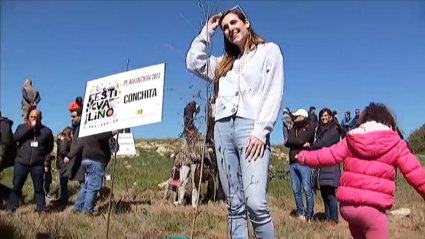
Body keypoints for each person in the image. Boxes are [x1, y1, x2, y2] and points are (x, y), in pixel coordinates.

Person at [186, 6, 284, 238]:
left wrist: (261, 131)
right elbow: (193, 63)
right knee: (235, 204)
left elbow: (273, 92)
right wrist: (207, 32)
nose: (230, 29)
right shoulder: (222, 64)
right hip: (222, 131)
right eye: (225, 28)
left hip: (251, 129)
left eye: (233, 23)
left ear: (246, 22)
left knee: (255, 203)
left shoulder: (269, 51)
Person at [295, 103, 425, 239]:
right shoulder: (396, 143)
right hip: (374, 210)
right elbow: (416, 174)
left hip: (348, 208)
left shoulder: (351, 139)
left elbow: (329, 155)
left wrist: (303, 156)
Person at [6, 109, 54, 214]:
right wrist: (30, 127)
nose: (33, 119)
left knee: (38, 187)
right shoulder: (22, 127)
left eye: (36, 117)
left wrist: (41, 155)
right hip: (21, 163)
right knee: (16, 186)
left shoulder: (46, 131)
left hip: (37, 164)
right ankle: (11, 207)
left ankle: (41, 208)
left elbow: (49, 147)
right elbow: (15, 138)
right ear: (28, 117)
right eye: (31, 117)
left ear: (40, 118)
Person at [65, 129, 118, 215]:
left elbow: (79, 144)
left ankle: (77, 208)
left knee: (86, 186)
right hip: (96, 161)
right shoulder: (97, 129)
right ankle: (87, 211)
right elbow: (102, 135)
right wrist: (113, 132)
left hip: (86, 160)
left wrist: (69, 156)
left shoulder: (87, 131)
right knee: (93, 187)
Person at [284, 109, 315, 221]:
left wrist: (296, 141)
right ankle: (300, 212)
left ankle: (309, 214)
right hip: (293, 163)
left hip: (304, 163)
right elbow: (288, 141)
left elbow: (300, 139)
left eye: (297, 116)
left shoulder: (309, 129)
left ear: (303, 117)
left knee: (307, 189)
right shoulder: (293, 129)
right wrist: (300, 143)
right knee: (296, 189)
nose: (295, 118)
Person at [312, 108, 341, 225]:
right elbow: (317, 144)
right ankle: (327, 218)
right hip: (321, 166)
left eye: (326, 116)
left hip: (331, 165)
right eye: (322, 116)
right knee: (324, 193)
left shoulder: (334, 130)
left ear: (330, 117)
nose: (324, 118)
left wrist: (316, 145)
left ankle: (334, 219)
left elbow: (323, 143)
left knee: (330, 194)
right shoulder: (318, 130)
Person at [62, 108, 85, 184]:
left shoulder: (83, 128)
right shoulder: (78, 128)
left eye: (74, 116)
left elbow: (80, 144)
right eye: (71, 116)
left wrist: (69, 156)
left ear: (80, 116)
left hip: (84, 161)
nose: (71, 119)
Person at [53, 126, 73, 203]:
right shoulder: (64, 141)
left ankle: (63, 197)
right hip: (63, 164)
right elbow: (63, 151)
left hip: (62, 164)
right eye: (71, 133)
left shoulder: (64, 140)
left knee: (63, 182)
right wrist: (70, 155)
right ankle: (63, 198)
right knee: (63, 182)